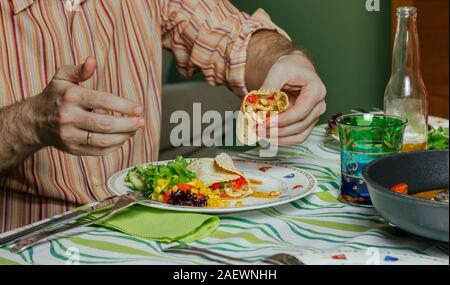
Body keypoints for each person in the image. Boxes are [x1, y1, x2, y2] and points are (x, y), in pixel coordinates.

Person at [0, 0, 326, 232]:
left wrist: (286, 59)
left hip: (143, 224)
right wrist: (28, 122)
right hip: (29, 235)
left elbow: (230, 34)